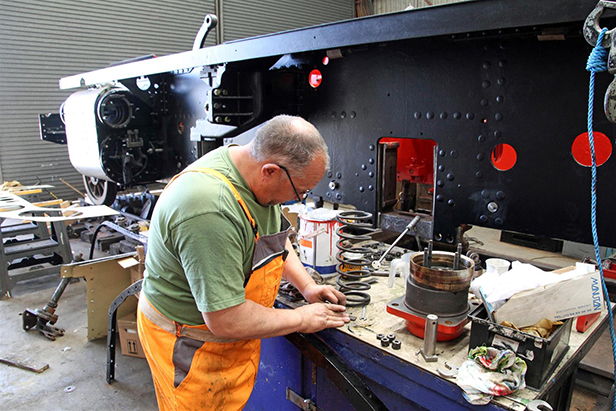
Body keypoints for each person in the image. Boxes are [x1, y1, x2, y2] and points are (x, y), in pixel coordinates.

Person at [137, 115, 349, 410]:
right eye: (299, 191)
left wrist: (307, 287)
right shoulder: (209, 209)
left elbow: (271, 237)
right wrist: (303, 319)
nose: (299, 199)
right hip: (190, 346)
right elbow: (226, 318)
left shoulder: (246, 169)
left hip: (225, 339)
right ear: (270, 171)